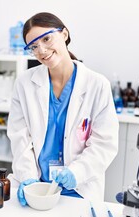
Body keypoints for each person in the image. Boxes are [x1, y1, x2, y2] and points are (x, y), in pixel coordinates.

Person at [7, 12, 119, 206]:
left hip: (79, 187)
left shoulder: (97, 85)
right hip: (37, 186)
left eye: (46, 39)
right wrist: (27, 177)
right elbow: (20, 137)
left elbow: (104, 144)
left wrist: (77, 173)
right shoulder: (24, 83)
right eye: (33, 46)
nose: (41, 50)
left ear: (64, 34)